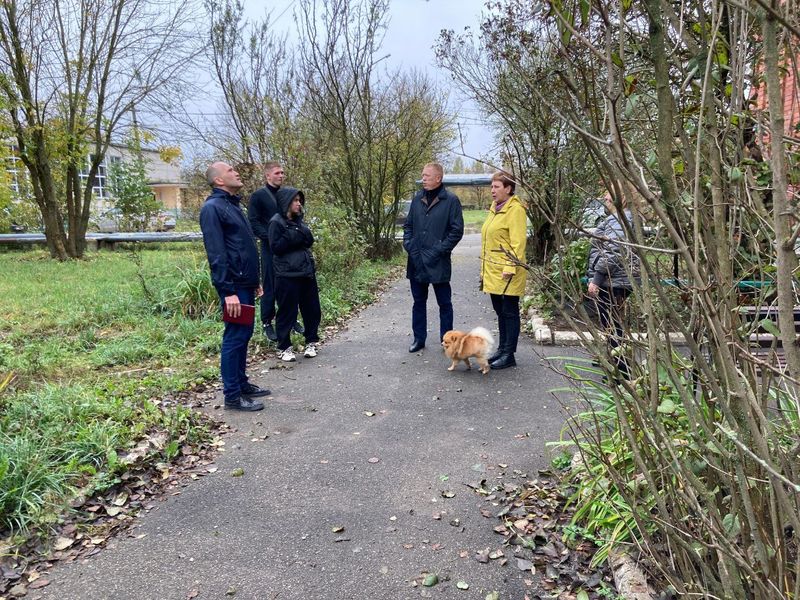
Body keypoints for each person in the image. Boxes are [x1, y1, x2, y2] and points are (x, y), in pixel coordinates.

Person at [199, 162, 270, 411]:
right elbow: (216, 253)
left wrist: (255, 280)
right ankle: (232, 396)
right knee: (235, 337)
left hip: (244, 283)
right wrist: (227, 291)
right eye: (230, 171)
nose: (236, 172)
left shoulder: (233, 205)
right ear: (218, 180)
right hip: (233, 286)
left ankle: (241, 384)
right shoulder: (212, 208)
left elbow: (245, 246)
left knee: (244, 335)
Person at [403, 163, 465, 352]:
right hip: (416, 261)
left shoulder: (451, 201)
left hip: (438, 262)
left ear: (439, 178)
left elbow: (456, 231)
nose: (424, 179)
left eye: (427, 176)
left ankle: (447, 341)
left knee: (444, 303)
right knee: (418, 303)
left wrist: (439, 250)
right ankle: (418, 339)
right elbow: (408, 227)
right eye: (423, 175)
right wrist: (410, 246)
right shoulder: (417, 199)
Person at [586, 190, 640, 380]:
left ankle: (621, 370)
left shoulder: (620, 219)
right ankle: (615, 359)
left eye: (608, 194)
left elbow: (614, 250)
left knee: (612, 323)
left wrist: (597, 278)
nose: (604, 198)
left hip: (613, 280)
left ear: (620, 196)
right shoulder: (622, 218)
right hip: (618, 279)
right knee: (613, 322)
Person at [248, 161, 303, 341]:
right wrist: (270, 238)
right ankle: (267, 322)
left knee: (289, 285)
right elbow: (254, 222)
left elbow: (296, 216)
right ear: (267, 175)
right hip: (270, 248)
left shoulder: (286, 195)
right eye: (277, 173)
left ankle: (291, 319)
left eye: (282, 173)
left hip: (288, 247)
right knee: (270, 285)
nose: (281, 176)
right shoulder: (258, 196)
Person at [480, 172, 528, 370]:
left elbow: (518, 243)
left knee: (509, 312)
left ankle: (509, 354)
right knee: (500, 312)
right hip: (492, 270)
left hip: (507, 272)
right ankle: (502, 349)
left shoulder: (515, 210)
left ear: (508, 189)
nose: (492, 190)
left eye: (497, 187)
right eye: (492, 187)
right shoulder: (494, 209)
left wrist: (510, 267)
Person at [268, 186, 322, 362]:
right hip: (286, 274)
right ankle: (284, 347)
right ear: (286, 202)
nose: (299, 204)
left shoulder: (300, 222)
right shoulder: (276, 222)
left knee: (312, 309)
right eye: (295, 201)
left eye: (300, 201)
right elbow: (276, 247)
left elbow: (309, 240)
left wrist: (296, 234)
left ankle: (311, 342)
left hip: (305, 271)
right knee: (286, 311)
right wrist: (295, 236)